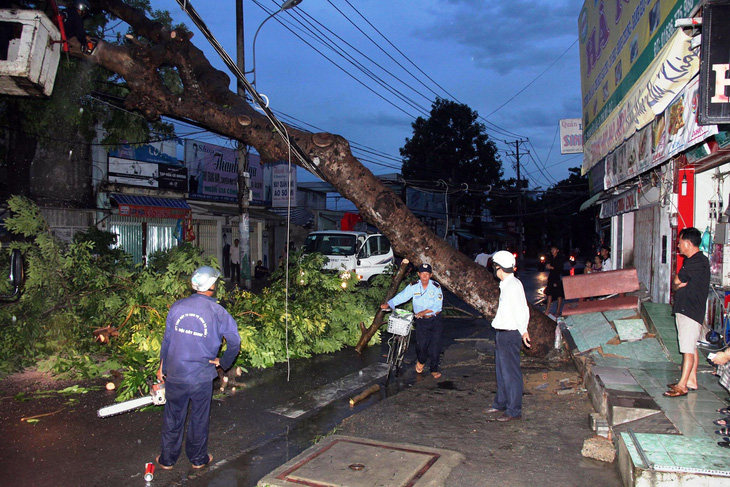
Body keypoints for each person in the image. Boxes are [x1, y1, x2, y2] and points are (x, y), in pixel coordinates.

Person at [156, 266, 241, 470]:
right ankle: (198, 459)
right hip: (201, 376)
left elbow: (167, 341)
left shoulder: (177, 307)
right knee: (199, 418)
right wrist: (223, 362)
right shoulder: (218, 311)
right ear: (211, 286)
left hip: (176, 374)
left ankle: (167, 460)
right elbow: (235, 341)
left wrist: (162, 368)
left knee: (173, 416)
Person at [663, 227, 710, 397]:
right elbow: (679, 282)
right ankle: (691, 380)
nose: (678, 246)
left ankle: (682, 385)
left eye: (680, 242)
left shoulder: (697, 261)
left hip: (690, 310)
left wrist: (676, 285)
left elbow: (677, 281)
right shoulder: (693, 261)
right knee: (691, 346)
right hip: (686, 308)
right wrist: (678, 285)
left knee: (687, 349)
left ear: (688, 243)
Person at [485, 250, 530, 422]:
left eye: (494, 267)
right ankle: (500, 403)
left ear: (499, 268)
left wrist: (524, 330)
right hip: (502, 334)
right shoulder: (506, 284)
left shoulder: (512, 286)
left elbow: (522, 310)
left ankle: (514, 410)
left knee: (511, 373)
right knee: (501, 372)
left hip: (510, 334)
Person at [380, 263, 444, 379]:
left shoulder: (436, 287)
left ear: (431, 275)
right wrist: (389, 304)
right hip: (421, 321)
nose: (424, 277)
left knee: (435, 346)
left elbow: (438, 306)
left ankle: (434, 369)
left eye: (427, 274)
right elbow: (403, 296)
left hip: (435, 320)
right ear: (419, 274)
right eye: (422, 274)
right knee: (421, 346)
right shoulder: (413, 286)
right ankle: (421, 361)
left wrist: (424, 312)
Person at [544, 246, 565, 316]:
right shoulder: (550, 257)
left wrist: (551, 267)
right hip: (551, 277)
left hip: (557, 277)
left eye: (554, 250)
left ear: (557, 250)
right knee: (549, 294)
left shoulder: (559, 258)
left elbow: (560, 268)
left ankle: (558, 311)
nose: (553, 251)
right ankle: (547, 310)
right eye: (552, 250)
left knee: (558, 295)